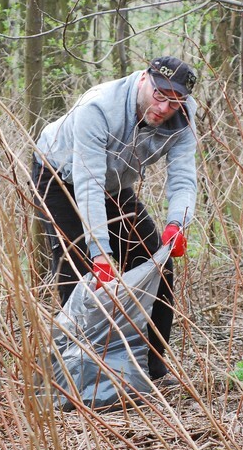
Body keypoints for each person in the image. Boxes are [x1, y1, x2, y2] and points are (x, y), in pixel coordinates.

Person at [32, 56, 198, 381]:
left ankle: (149, 369)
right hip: (59, 174)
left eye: (175, 101)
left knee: (156, 261)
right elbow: (88, 184)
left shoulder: (184, 119)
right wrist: (102, 255)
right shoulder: (99, 108)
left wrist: (178, 222)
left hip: (114, 183)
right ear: (143, 81)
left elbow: (182, 177)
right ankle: (81, 376)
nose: (164, 108)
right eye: (159, 95)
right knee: (80, 271)